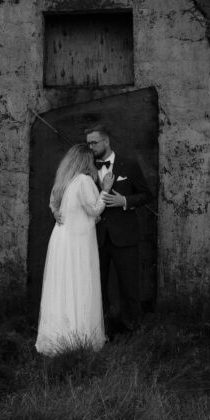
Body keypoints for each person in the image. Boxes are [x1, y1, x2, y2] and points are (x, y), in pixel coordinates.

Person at [36, 143, 114, 355]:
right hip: (77, 242)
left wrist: (55, 213)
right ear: (86, 161)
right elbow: (94, 209)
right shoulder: (84, 180)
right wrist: (106, 189)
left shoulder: (64, 180)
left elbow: (52, 202)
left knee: (62, 285)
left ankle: (58, 336)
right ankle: (79, 338)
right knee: (80, 283)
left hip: (61, 239)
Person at [85, 123, 152, 335]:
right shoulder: (87, 168)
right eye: (88, 144)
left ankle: (133, 327)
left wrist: (124, 200)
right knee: (97, 285)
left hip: (125, 236)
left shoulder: (129, 165)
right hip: (96, 237)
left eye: (94, 143)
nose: (91, 147)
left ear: (106, 141)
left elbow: (145, 195)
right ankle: (100, 328)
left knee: (129, 284)